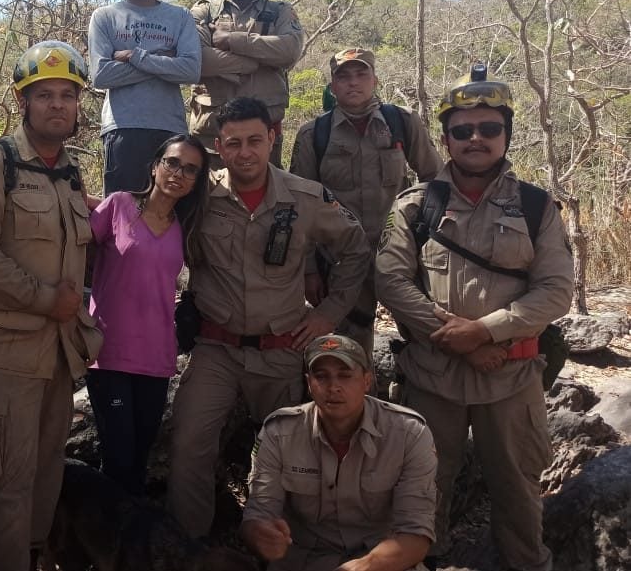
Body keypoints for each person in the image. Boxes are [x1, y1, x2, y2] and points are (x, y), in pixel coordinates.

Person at [375, 65, 573, 571]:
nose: (476, 139)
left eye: (489, 128)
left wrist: (486, 332)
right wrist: (454, 339)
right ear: (445, 139)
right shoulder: (415, 207)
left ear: (506, 133)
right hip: (431, 378)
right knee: (421, 492)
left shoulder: (535, 207)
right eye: (462, 131)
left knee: (518, 494)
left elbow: (555, 291)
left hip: (510, 376)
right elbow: (391, 282)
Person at [167, 97, 369, 539]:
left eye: (255, 140)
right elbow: (150, 217)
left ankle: (288, 549)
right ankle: (191, 548)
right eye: (234, 143)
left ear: (272, 138)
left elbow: (355, 250)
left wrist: (328, 315)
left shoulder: (306, 196)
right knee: (187, 444)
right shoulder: (200, 194)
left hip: (282, 350)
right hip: (216, 348)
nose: (245, 153)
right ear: (218, 145)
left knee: (295, 456)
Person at [0, 40, 104, 571]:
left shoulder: (70, 173)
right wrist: (46, 299)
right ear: (24, 101)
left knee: (46, 480)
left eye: (68, 95)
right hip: (5, 352)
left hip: (60, 353)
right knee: (7, 490)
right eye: (45, 95)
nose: (58, 105)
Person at [290, 48, 441, 356]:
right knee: (349, 348)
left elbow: (435, 181)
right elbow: (300, 208)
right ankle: (361, 402)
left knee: (423, 339)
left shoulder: (402, 122)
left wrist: (434, 249)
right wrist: (308, 270)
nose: (353, 83)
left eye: (361, 75)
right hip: (341, 261)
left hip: (401, 256)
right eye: (343, 77)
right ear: (333, 86)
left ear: (375, 80)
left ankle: (411, 398)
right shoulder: (313, 135)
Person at [242, 334, 437, 571]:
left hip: (382, 561)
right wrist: (261, 535)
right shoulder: (279, 433)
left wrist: (365, 566)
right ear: (308, 382)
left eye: (345, 376)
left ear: (367, 381)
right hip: (304, 560)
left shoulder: (409, 434)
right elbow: (258, 514)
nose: (333, 387)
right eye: (321, 377)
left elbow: (416, 534)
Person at [85, 134, 210, 496]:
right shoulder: (119, 206)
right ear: (155, 166)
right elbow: (75, 241)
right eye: (172, 163)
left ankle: (132, 547)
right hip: (109, 354)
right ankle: (107, 546)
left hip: (157, 358)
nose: (178, 174)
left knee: (139, 459)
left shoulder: (187, 228)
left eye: (190, 170)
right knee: (118, 459)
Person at [89, 0, 202, 194]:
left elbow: (190, 70)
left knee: (171, 215)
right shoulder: (105, 16)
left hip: (170, 130)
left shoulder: (180, 17)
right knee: (123, 213)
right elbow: (101, 74)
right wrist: (163, 58)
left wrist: (134, 56)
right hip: (122, 129)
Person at [189, 0, 305, 166]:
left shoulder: (280, 12)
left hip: (263, 142)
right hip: (210, 142)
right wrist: (253, 60)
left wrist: (231, 40)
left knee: (266, 204)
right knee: (204, 204)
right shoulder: (204, 11)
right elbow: (196, 60)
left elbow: (289, 50)